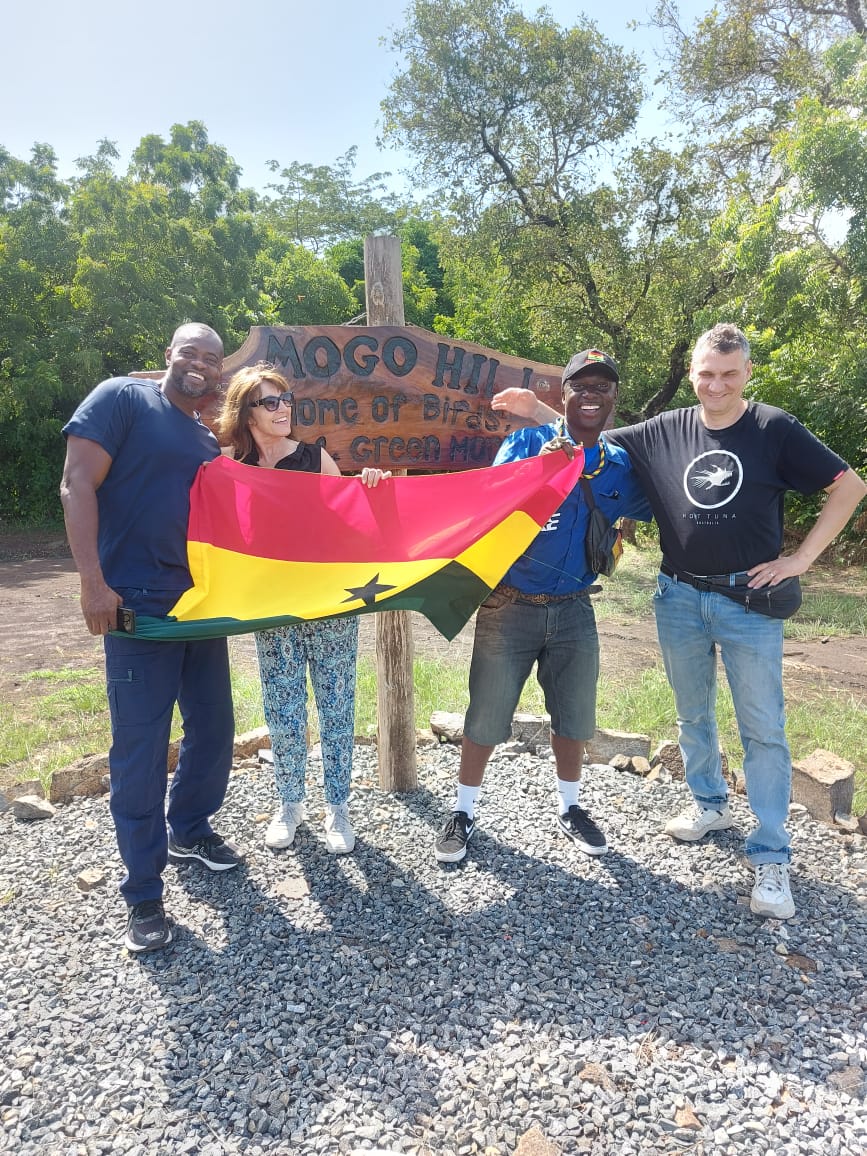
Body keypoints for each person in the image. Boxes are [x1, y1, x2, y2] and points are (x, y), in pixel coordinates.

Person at [494, 324, 867, 919]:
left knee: (762, 728)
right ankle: (710, 804)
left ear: (747, 373)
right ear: (692, 373)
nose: (717, 385)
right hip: (679, 597)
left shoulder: (773, 428)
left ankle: (771, 853)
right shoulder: (665, 429)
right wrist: (536, 409)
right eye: (706, 374)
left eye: (729, 374)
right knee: (693, 713)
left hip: (749, 602)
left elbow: (849, 485)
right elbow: (590, 436)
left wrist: (801, 559)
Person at [60, 323, 244, 954]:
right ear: (168, 355)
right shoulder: (121, 398)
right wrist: (93, 583)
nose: (200, 364)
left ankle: (188, 827)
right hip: (135, 610)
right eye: (190, 352)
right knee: (140, 752)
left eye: (211, 358)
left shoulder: (204, 436)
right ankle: (143, 892)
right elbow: (76, 483)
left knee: (214, 731)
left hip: (198, 610)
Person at [434, 349, 653, 865]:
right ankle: (463, 811)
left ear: (614, 396)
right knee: (486, 716)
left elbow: (666, 504)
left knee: (574, 717)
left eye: (602, 387)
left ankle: (570, 807)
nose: (591, 396)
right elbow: (490, 503)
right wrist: (540, 462)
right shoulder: (527, 443)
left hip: (575, 608)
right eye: (581, 386)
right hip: (510, 606)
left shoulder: (619, 464)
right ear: (564, 393)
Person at [217, 363, 391, 856]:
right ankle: (290, 804)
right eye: (270, 402)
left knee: (336, 706)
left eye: (286, 399)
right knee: (284, 710)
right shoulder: (233, 468)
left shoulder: (316, 459)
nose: (283, 408)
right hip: (273, 610)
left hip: (329, 605)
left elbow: (352, 522)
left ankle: (338, 806)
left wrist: (369, 488)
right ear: (248, 413)